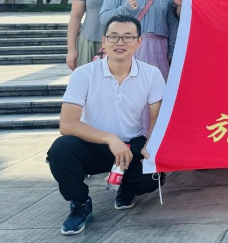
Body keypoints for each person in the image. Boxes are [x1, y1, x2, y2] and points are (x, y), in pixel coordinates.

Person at [47, 15, 165, 236]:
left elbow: (156, 117)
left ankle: (127, 187)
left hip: (132, 145)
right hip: (93, 145)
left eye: (128, 37)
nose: (120, 42)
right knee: (61, 150)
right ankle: (80, 203)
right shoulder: (84, 74)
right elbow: (67, 124)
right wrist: (110, 139)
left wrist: (150, 145)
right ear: (104, 41)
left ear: (139, 42)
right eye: (114, 37)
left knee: (151, 178)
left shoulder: (151, 74)